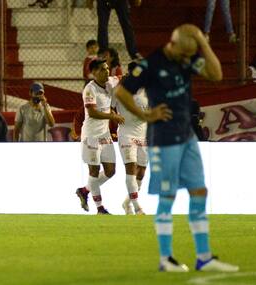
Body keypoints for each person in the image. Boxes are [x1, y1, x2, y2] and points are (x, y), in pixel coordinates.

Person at [115, 24, 239, 272]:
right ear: (173, 45)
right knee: (168, 196)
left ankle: (203, 257)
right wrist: (145, 114)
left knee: (199, 191)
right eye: (185, 54)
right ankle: (166, 259)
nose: (187, 60)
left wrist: (202, 43)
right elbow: (121, 91)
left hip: (187, 136)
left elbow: (216, 75)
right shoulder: (151, 65)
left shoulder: (186, 57)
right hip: (163, 139)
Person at [75, 58, 124, 214]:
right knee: (94, 172)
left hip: (105, 135)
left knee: (110, 171)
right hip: (91, 136)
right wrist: (112, 117)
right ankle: (100, 208)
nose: (107, 71)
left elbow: (123, 77)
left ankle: (84, 190)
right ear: (94, 72)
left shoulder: (110, 82)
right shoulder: (90, 89)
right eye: (102, 69)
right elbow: (93, 112)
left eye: (107, 68)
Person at [113, 73, 147, 215]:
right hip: (126, 133)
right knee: (131, 169)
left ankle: (126, 202)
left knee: (141, 172)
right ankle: (137, 206)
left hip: (143, 133)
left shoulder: (147, 91)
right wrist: (113, 115)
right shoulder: (119, 90)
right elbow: (108, 106)